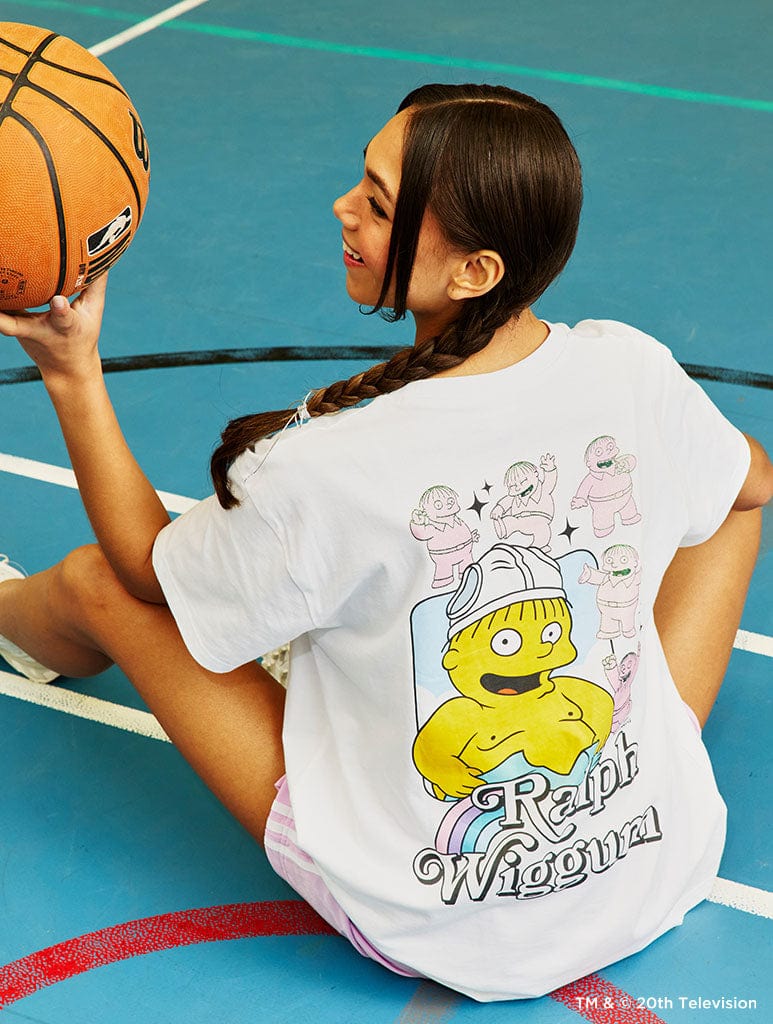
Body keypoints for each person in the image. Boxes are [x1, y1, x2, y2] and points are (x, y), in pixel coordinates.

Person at [0, 83, 771, 1002]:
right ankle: (626, 750)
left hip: (429, 921)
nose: (343, 208)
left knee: (97, 581)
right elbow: (752, 484)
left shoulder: (322, 465)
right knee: (727, 496)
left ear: (473, 271)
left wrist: (72, 371)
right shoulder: (629, 366)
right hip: (653, 862)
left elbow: (142, 571)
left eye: (376, 202)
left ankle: (10, 618)